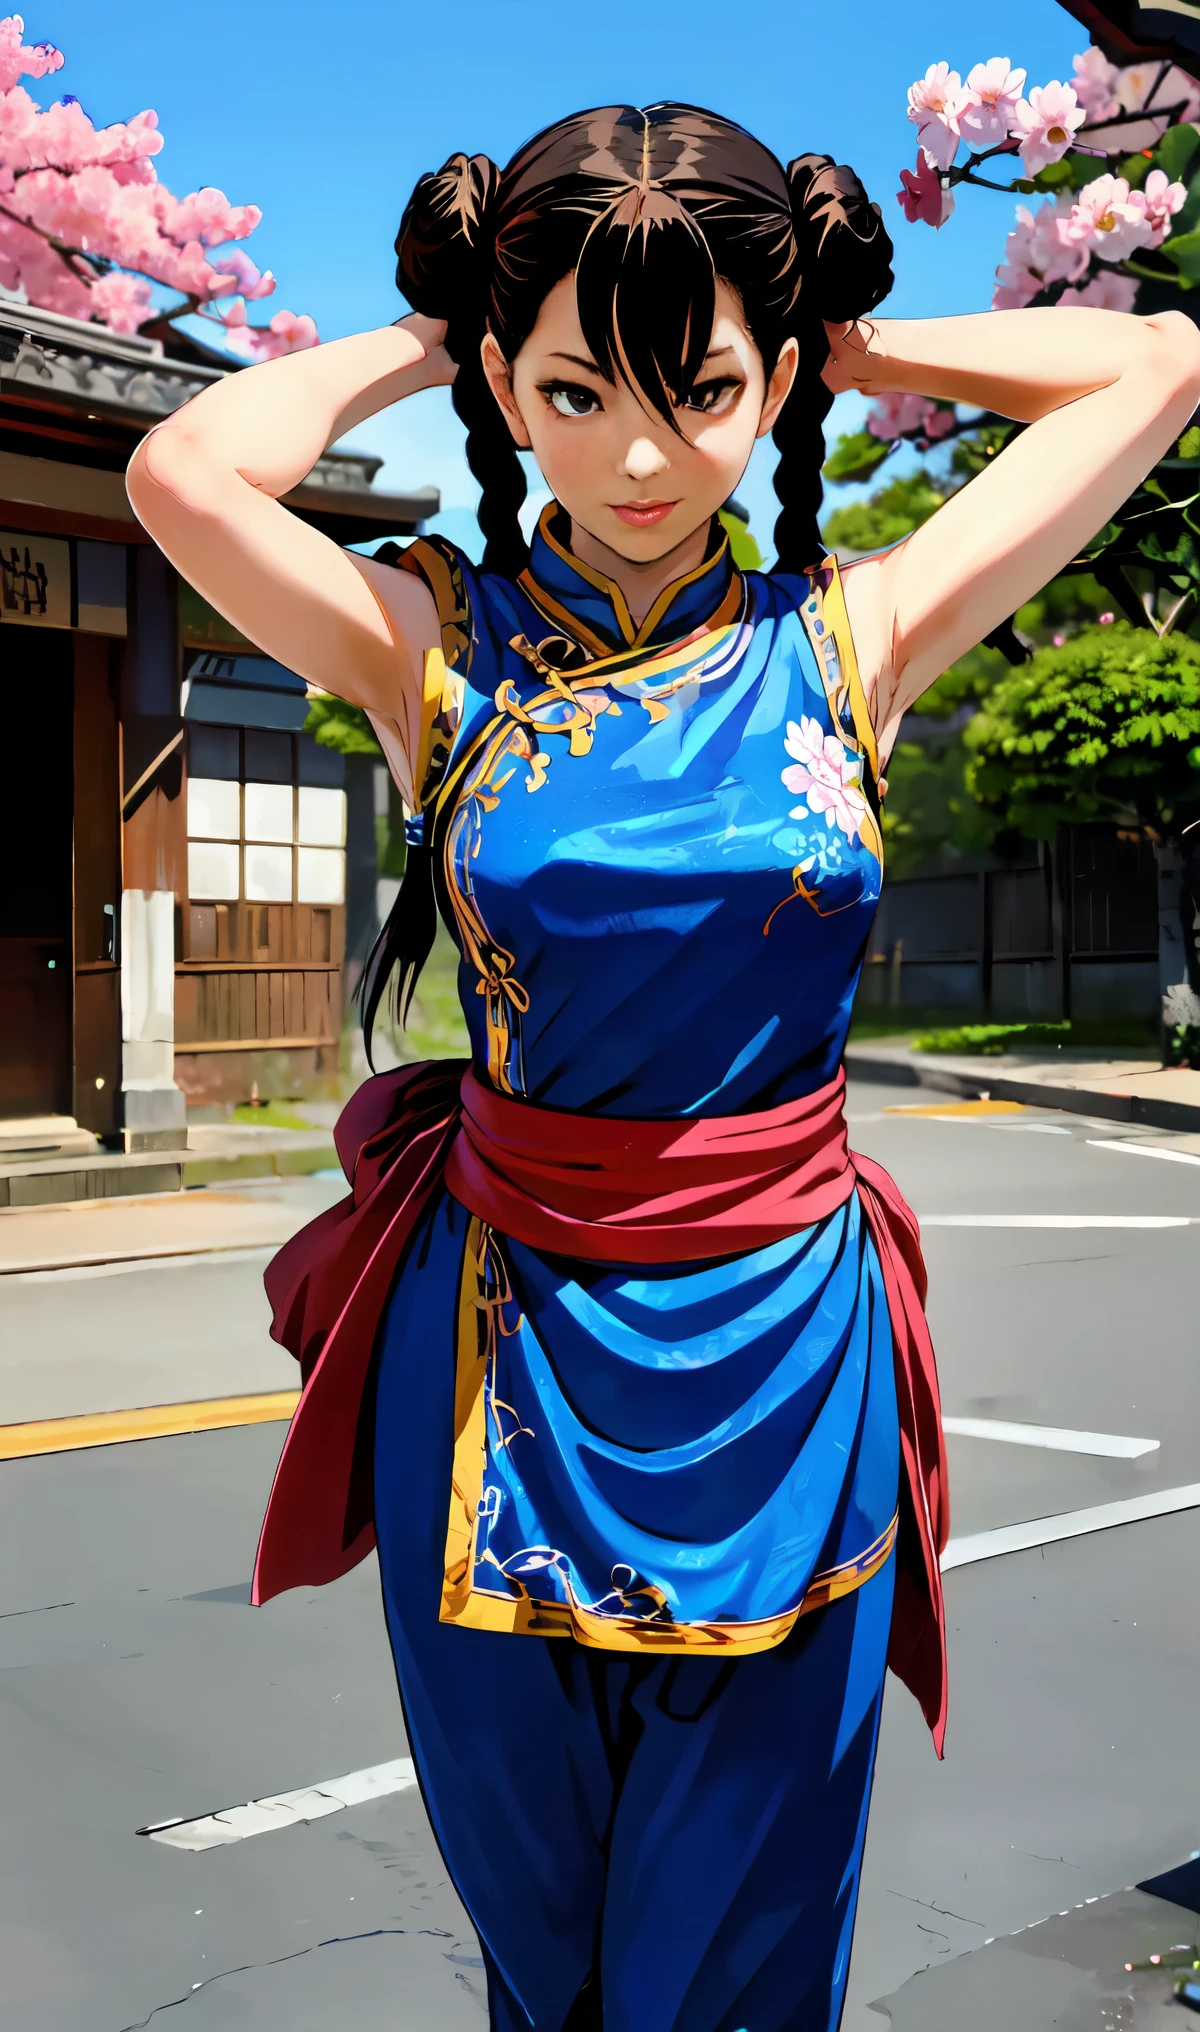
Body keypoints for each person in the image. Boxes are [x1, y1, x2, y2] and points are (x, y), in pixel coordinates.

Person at [126, 101, 1200, 2032]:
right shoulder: (430, 649)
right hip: (492, 1370)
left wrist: (861, 350)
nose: (637, 454)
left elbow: (1158, 360)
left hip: (791, 1361)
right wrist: (436, 319)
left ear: (769, 380)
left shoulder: (853, 636)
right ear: (505, 387)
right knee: (548, 1966)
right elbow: (186, 474)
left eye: (700, 389)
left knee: (746, 1957)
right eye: (572, 387)